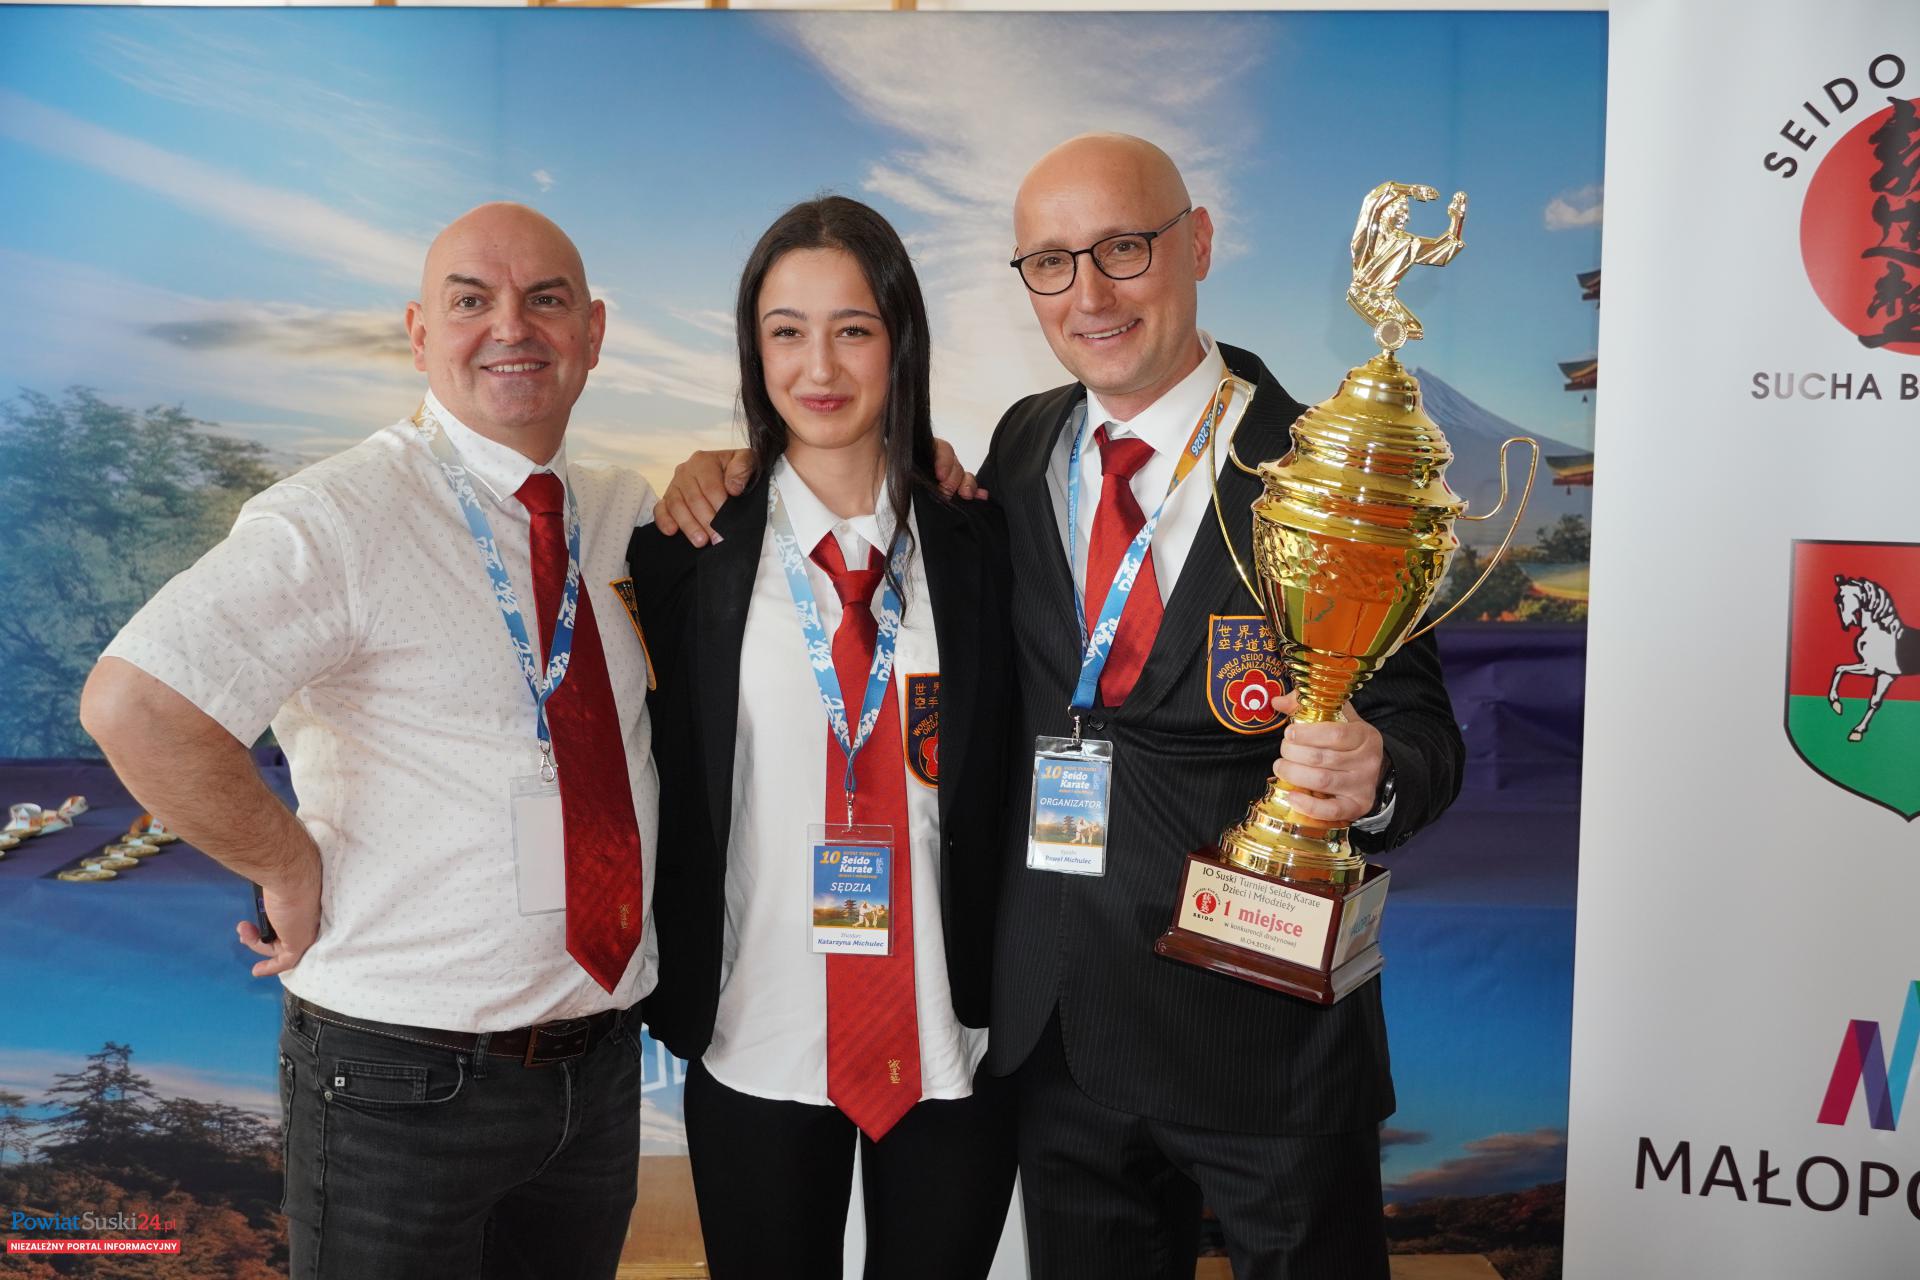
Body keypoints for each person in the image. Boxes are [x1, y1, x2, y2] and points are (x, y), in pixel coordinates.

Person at [657, 135, 1467, 1280]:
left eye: (1123, 248)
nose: (1090, 293)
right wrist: (727, 466)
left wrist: (1374, 771)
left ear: (1197, 242)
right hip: (1061, 1039)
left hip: (1259, 1033)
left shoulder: (1320, 464)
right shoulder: (1022, 447)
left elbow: (1424, 729)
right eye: (1050, 262)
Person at [80, 203, 659, 1280]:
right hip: (400, 1078)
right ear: (419, 333)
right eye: (472, 300)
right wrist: (282, 861)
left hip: (599, 1061)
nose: (512, 327)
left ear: (592, 331)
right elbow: (137, 704)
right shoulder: (339, 515)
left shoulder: (622, 509)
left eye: (546, 300)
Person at [630, 196, 1017, 1280]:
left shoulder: (986, 543)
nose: (820, 366)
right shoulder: (684, 553)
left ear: (901, 340)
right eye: (786, 331)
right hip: (756, 1030)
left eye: (853, 329)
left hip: (952, 1038)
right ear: (753, 352)